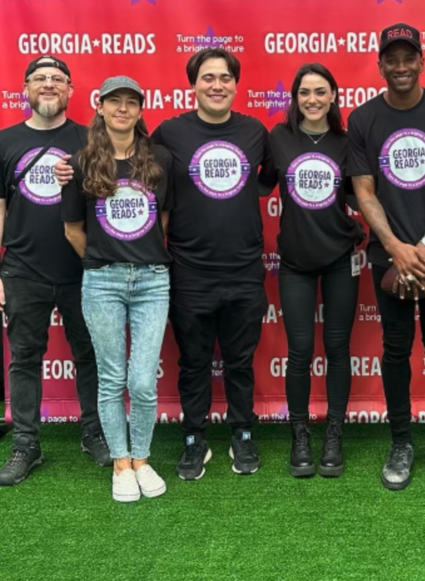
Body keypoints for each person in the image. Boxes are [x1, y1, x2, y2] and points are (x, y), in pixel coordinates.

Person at [55, 49, 276, 480]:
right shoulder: (170, 134)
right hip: (188, 268)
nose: (216, 85)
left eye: (225, 77)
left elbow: (266, 178)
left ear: (235, 84)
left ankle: (242, 433)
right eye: (207, 77)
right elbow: (131, 174)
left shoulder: (254, 131)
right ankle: (194, 439)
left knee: (241, 359)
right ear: (193, 85)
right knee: (193, 361)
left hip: (245, 266)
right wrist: (69, 173)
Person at [348, 23, 425, 491]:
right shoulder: (363, 120)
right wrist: (397, 248)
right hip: (389, 258)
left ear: (422, 61)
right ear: (380, 65)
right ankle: (401, 442)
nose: (400, 67)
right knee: (396, 349)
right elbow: (364, 191)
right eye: (391, 59)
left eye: (408, 58)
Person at [0, 55, 110, 487]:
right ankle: (26, 445)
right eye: (40, 79)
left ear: (72, 91)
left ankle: (94, 434)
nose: (49, 85)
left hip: (83, 269)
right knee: (25, 359)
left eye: (58, 79)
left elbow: (110, 198)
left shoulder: (91, 139)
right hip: (22, 271)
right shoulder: (3, 142)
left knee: (90, 356)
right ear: (26, 90)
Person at [61, 76, 174, 503]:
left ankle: (142, 458)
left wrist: (138, 253)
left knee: (143, 380)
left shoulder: (159, 158)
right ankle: (120, 463)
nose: (122, 109)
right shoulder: (81, 161)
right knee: (111, 377)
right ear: (101, 107)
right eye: (114, 102)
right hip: (103, 279)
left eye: (131, 102)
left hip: (151, 280)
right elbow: (73, 229)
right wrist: (102, 258)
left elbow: (162, 221)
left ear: (141, 110)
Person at [266, 63, 364, 478]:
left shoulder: (346, 141)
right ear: (295, 97)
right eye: (304, 92)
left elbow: (365, 194)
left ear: (333, 97)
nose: (312, 99)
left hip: (341, 257)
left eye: (320, 91)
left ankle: (334, 434)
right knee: (301, 351)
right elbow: (257, 184)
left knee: (338, 349)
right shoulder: (279, 138)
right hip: (295, 262)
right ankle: (300, 434)